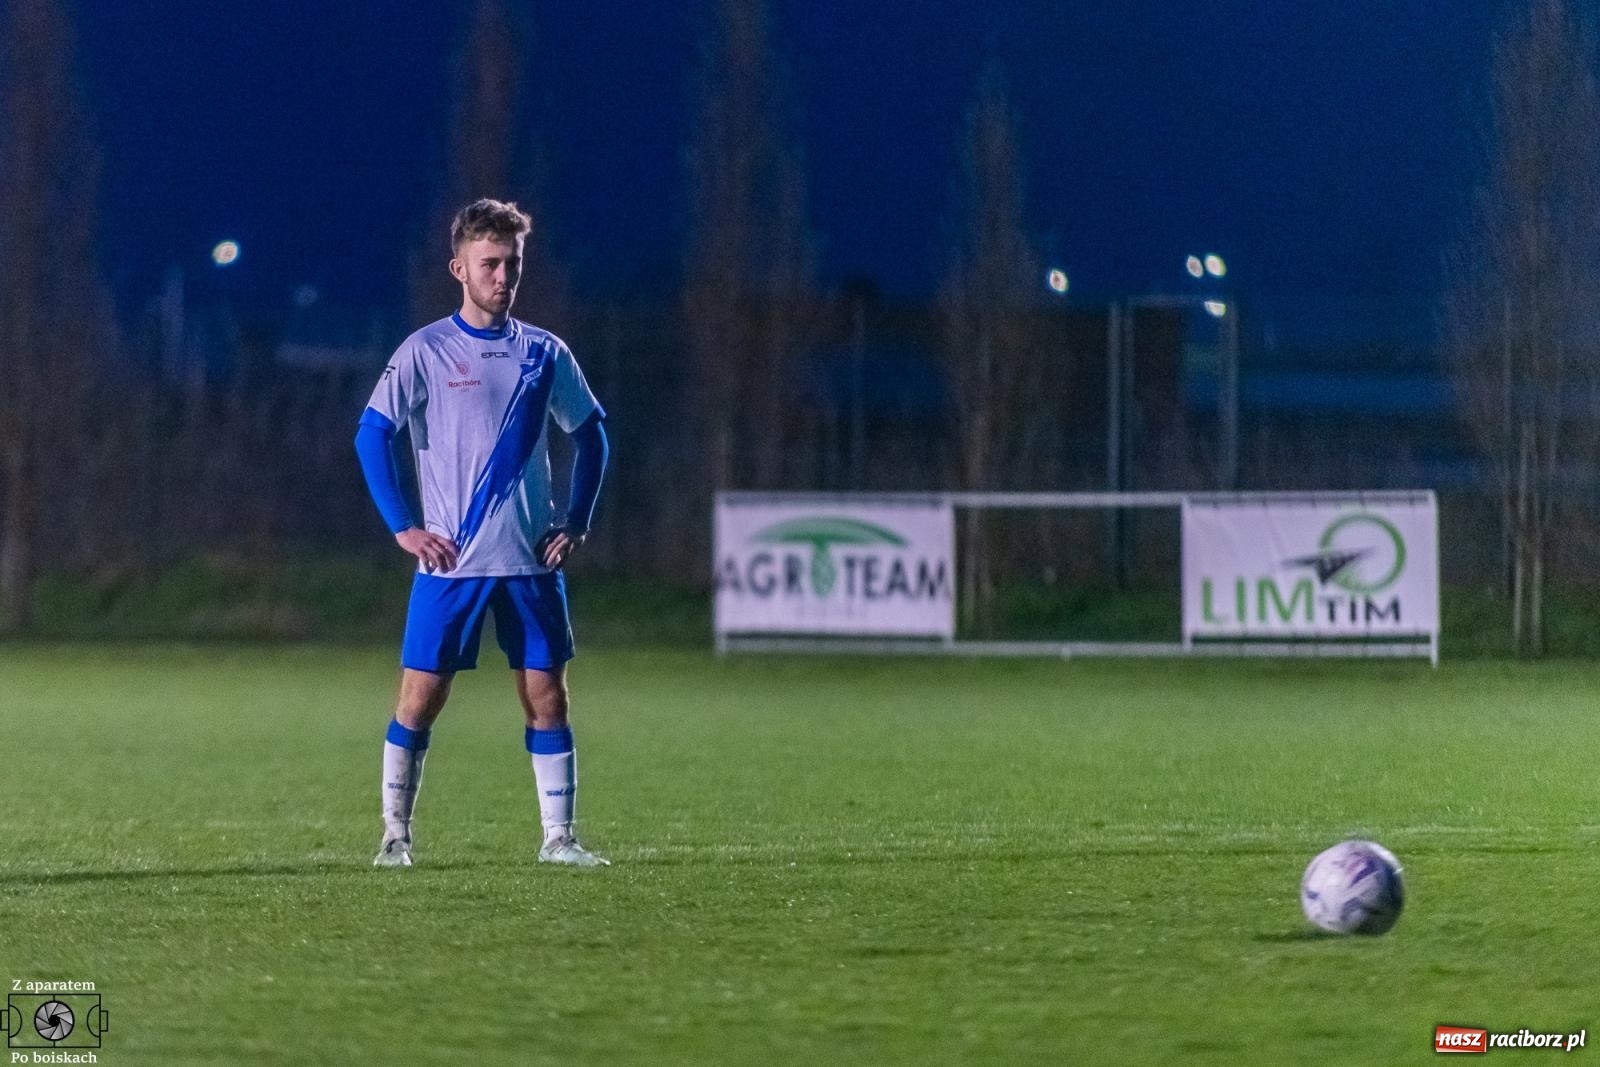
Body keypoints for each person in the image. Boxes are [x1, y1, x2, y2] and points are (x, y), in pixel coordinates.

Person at [354, 198, 610, 868]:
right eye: (490, 263)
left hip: (529, 561)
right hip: (452, 564)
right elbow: (372, 434)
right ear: (458, 269)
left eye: (512, 263)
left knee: (548, 698)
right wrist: (404, 527)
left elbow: (592, 434)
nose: (503, 276)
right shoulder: (426, 350)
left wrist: (577, 520)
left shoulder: (545, 352)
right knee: (420, 700)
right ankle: (395, 836)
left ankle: (559, 839)